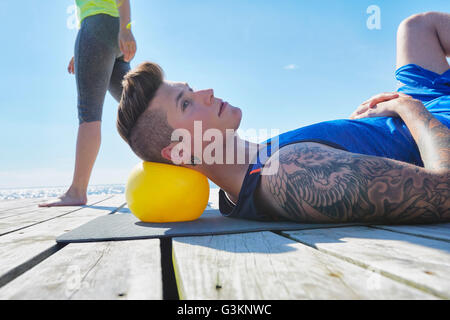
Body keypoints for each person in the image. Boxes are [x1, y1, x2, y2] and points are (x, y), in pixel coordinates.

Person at [116, 12, 449, 224]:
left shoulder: (263, 162)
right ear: (179, 153)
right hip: (436, 123)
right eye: (186, 104)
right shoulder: (286, 174)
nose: (206, 92)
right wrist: (410, 110)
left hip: (414, 110)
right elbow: (444, 192)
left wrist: (358, 128)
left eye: (191, 88)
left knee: (416, 27)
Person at [39, 0, 136, 207]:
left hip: (98, 28)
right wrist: (85, 53)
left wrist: (125, 30)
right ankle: (177, 164)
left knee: (89, 113)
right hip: (112, 34)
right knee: (138, 109)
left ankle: (77, 191)